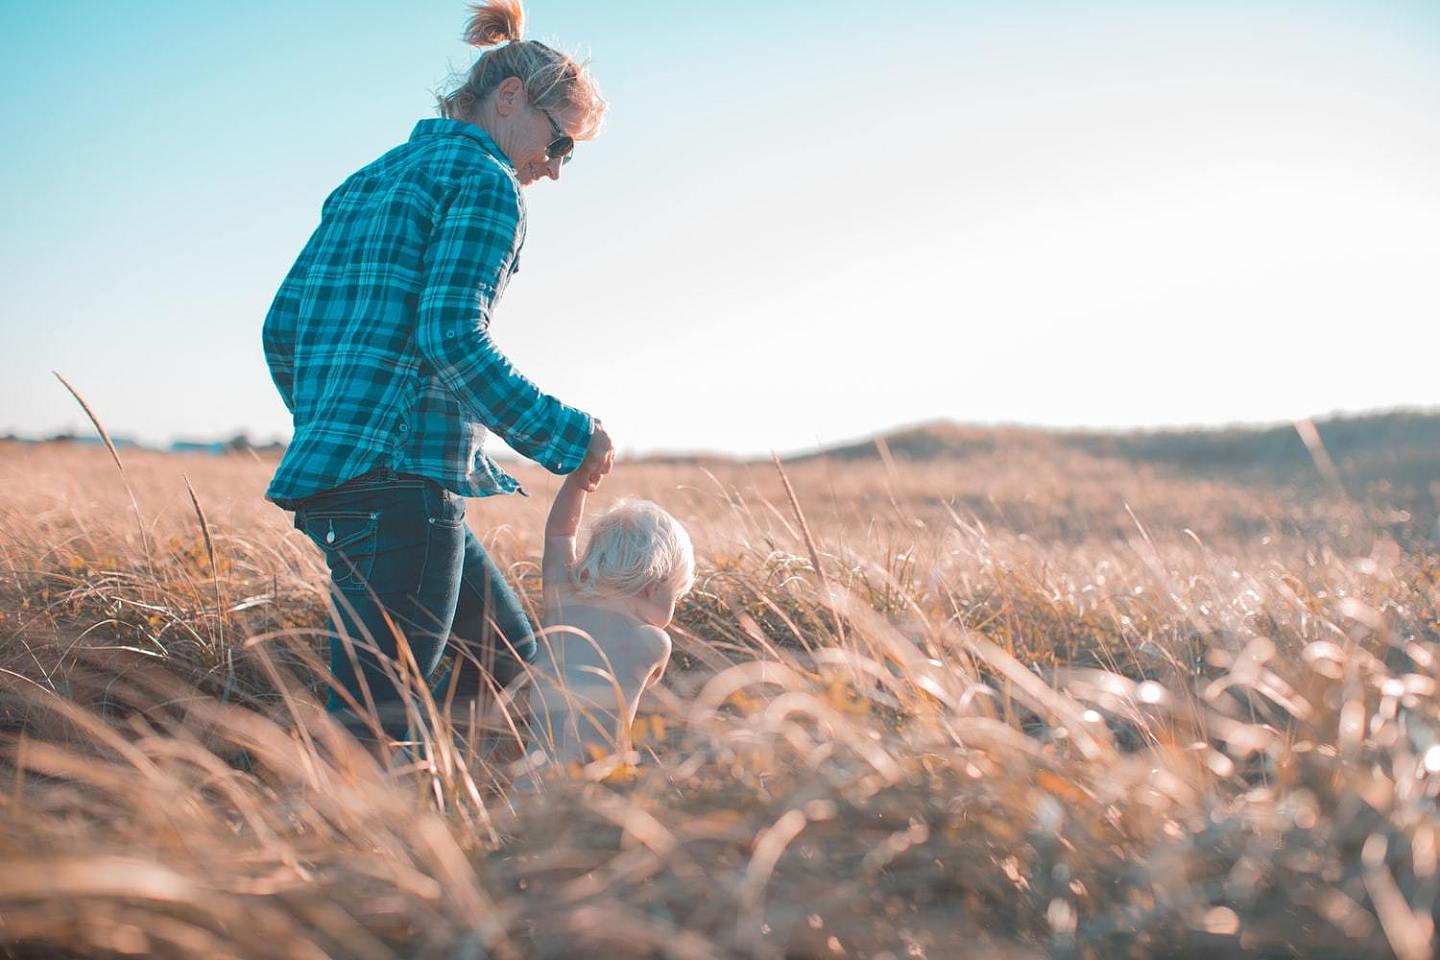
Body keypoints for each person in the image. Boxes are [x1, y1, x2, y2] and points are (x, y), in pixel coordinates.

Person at [260, 0, 611, 746]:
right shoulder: (488, 183)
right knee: (373, 735)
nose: (553, 169)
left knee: (515, 674)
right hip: (402, 490)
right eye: (563, 144)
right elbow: (451, 336)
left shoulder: (369, 179)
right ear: (512, 99)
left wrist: (336, 425)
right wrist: (569, 437)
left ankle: (503, 841)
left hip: (347, 480)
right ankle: (351, 855)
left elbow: (281, 329)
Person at [524, 469, 694, 769]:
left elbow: (560, 534)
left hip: (531, 776)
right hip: (595, 783)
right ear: (653, 587)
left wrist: (577, 483)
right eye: (676, 597)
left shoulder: (562, 603)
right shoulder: (654, 642)